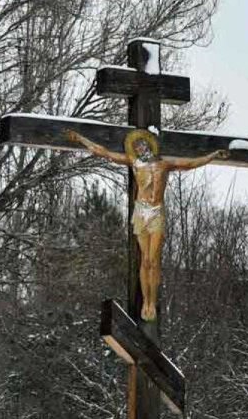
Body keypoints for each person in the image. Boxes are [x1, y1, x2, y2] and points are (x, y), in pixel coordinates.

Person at [66, 129, 229, 321]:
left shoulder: (164, 164)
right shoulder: (135, 163)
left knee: (153, 260)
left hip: (156, 211)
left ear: (150, 146)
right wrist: (81, 139)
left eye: (142, 145)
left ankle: (153, 300)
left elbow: (191, 163)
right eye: (136, 147)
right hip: (141, 212)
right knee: (145, 260)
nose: (139, 149)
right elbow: (103, 152)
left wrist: (213, 155)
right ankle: (146, 302)